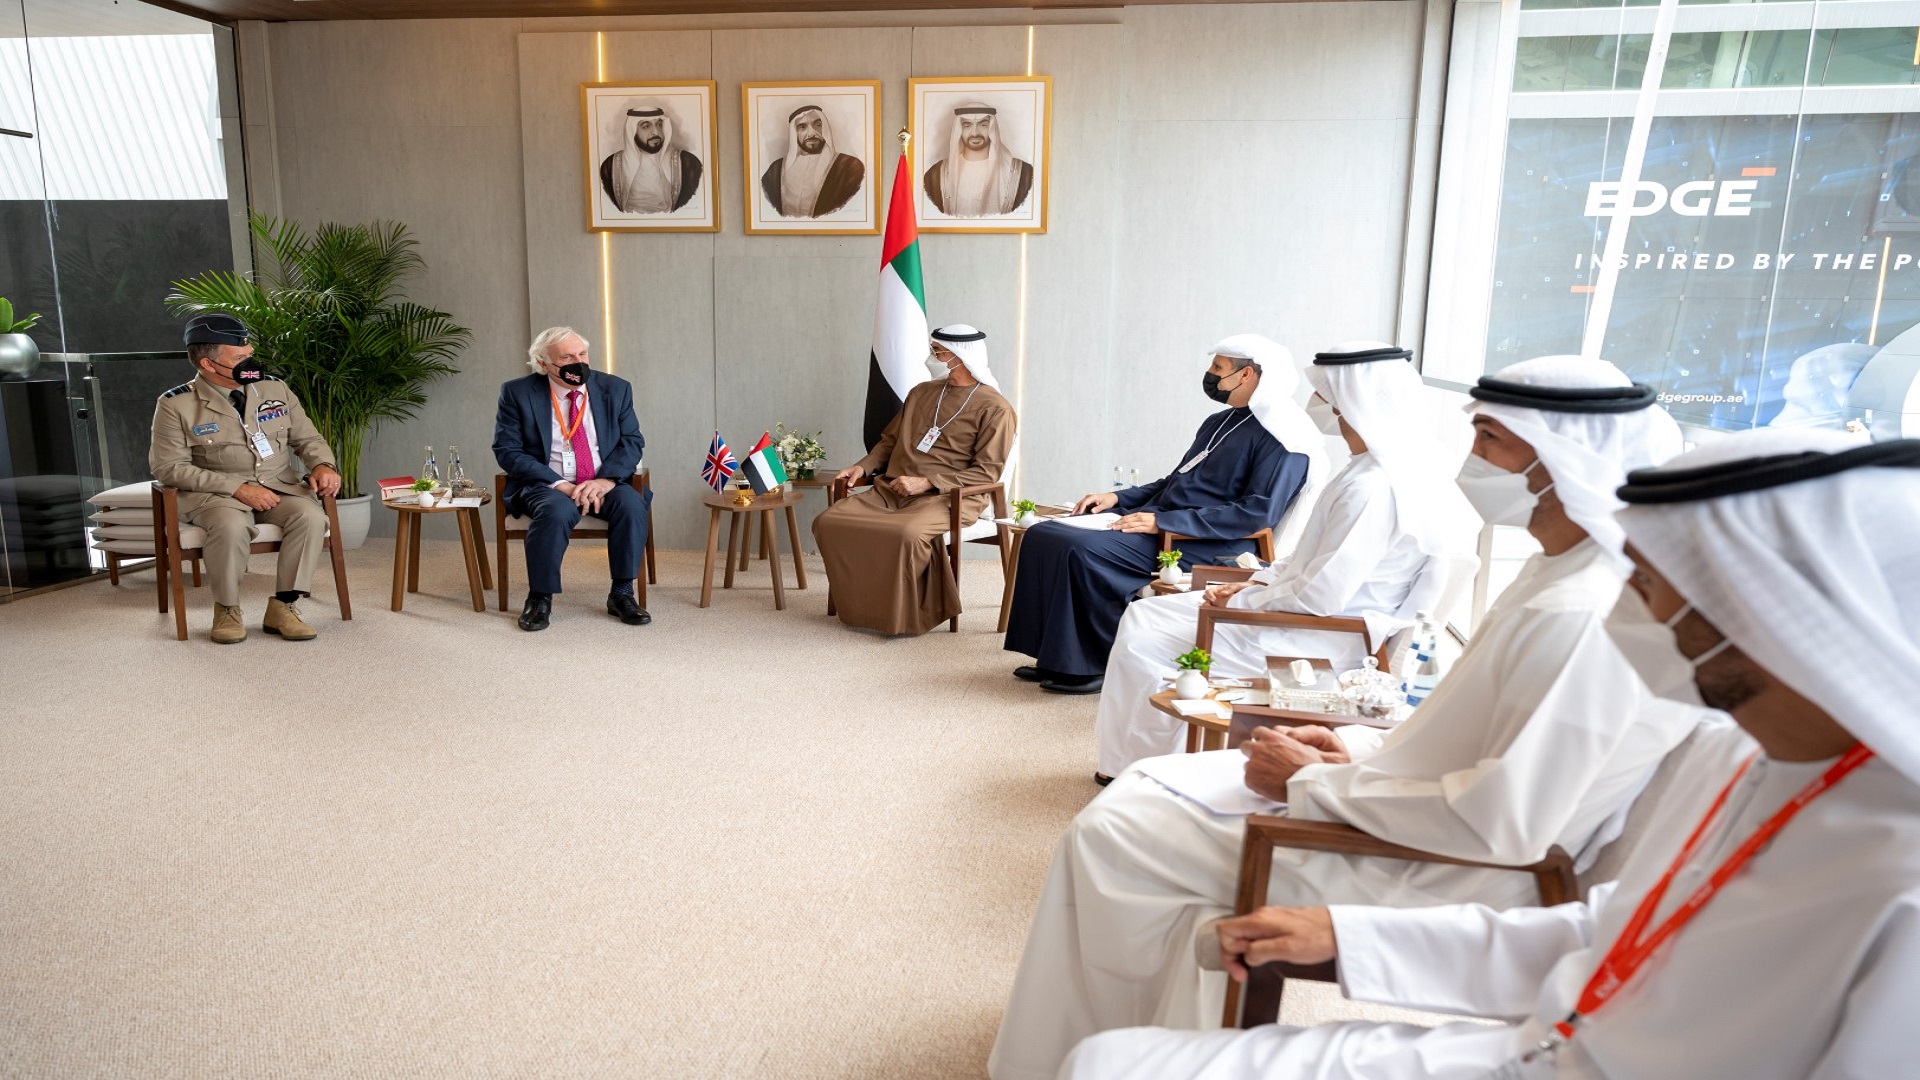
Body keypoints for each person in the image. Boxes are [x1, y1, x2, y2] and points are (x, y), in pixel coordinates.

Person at [1059, 428, 1920, 1080]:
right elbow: (1608, 931)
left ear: (1782, 621)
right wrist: (1349, 940)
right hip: (1527, 1043)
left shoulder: (1902, 888)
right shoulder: (1746, 757)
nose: (1625, 616)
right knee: (1105, 1060)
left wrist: (1327, 781)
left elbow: (1508, 826)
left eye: (1650, 589)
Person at [987, 355, 1698, 1080]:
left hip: (1445, 867)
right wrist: (1352, 747)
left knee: (1115, 833)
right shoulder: (1562, 570)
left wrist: (1317, 783)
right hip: (1401, 804)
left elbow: (1505, 824)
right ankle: (1147, 1026)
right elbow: (1475, 743)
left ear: (1559, 458)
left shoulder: (1581, 611)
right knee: (1143, 791)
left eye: (1489, 438)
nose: (1472, 458)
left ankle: (1053, 1059)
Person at [1093, 342, 1479, 780]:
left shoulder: (1372, 488)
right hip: (1304, 612)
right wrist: (1251, 586)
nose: (1325, 409)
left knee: (1147, 629)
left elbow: (1320, 594)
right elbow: (1309, 563)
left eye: (1331, 400)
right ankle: (1148, 758)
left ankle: (1141, 765)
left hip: (1320, 636)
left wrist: (1237, 605)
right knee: (1149, 614)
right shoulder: (1376, 469)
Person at [1001, 335, 1318, 695]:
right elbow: (1175, 481)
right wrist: (1117, 497)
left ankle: (1094, 664)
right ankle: (1054, 656)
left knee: (1083, 550)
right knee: (1046, 534)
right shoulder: (1219, 422)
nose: (1209, 374)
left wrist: (1163, 522)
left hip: (1214, 539)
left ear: (1246, 375)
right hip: (1167, 522)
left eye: (1218, 368)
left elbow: (1257, 514)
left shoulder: (1285, 437)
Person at [149, 312, 342, 645]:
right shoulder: (176, 404)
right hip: (216, 494)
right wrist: (237, 488)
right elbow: (168, 467)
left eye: (249, 353)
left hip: (278, 485)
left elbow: (308, 439)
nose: (249, 360)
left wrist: (324, 465)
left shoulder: (274, 388)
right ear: (209, 364)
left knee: (310, 517)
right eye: (239, 358)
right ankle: (227, 608)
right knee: (230, 526)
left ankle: (285, 606)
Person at [813, 324, 1016, 635]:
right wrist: (863, 467)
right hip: (892, 490)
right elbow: (889, 442)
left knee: (907, 533)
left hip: (952, 496)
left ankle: (902, 616)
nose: (932, 356)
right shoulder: (922, 392)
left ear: (960, 357)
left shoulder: (995, 408)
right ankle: (862, 605)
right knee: (829, 521)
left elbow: (987, 472)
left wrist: (927, 483)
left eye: (938, 351)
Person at [491, 326, 650, 632]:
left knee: (631, 505)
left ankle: (622, 593)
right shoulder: (517, 393)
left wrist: (605, 481)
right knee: (555, 511)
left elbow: (632, 441)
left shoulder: (615, 389)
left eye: (582, 354)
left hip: (602, 481)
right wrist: (560, 484)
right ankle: (540, 597)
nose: (578, 362)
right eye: (566, 357)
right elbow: (507, 450)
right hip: (547, 483)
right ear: (543, 364)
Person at [922, 103, 1034, 217]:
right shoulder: (935, 175)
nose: (975, 133)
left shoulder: (1023, 173)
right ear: (959, 129)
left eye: (983, 125)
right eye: (967, 125)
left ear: (991, 128)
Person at [760, 105, 864, 218]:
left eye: (818, 125)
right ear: (794, 133)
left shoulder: (849, 167)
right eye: (802, 127)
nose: (811, 133)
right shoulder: (775, 170)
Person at [598, 105, 703, 214]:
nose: (656, 132)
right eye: (646, 126)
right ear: (632, 131)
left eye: (659, 125)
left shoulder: (688, 163)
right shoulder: (610, 166)